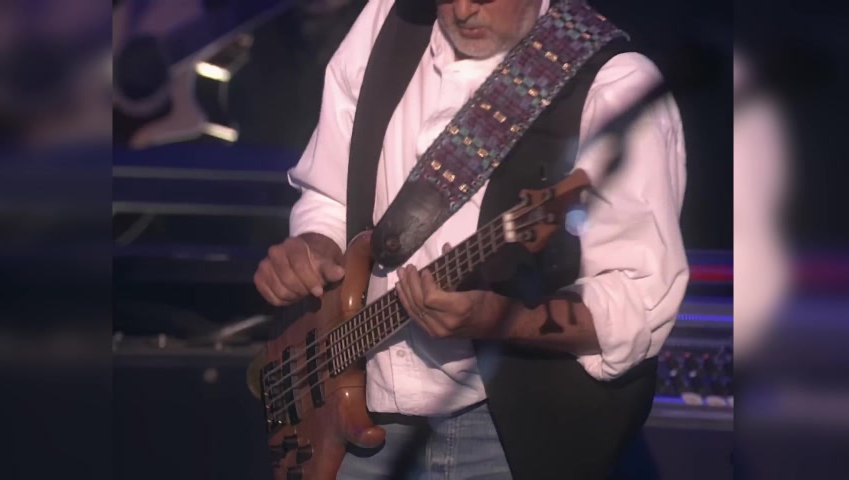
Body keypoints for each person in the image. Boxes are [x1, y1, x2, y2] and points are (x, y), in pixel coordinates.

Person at [253, 0, 688, 478]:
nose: (461, 10)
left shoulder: (616, 85)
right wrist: (314, 243)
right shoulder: (386, 19)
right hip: (357, 411)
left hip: (509, 437)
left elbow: (635, 303)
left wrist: (500, 319)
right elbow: (329, 191)